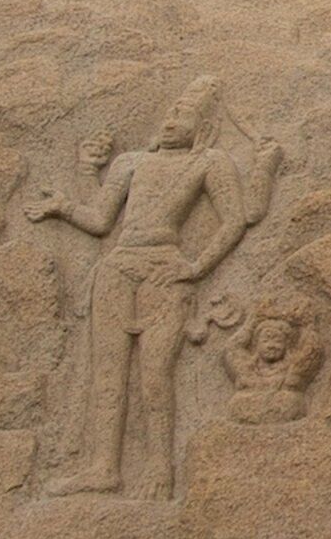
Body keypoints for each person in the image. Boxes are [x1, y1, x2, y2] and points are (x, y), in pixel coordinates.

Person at [28, 82, 277, 495]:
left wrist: (196, 267)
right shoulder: (131, 162)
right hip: (117, 270)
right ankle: (103, 468)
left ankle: (161, 469)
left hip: (165, 270)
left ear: (204, 127)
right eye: (170, 113)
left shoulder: (210, 162)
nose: (170, 121)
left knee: (156, 373)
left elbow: (237, 219)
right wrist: (66, 201)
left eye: (183, 116)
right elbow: (101, 220)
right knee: (107, 372)